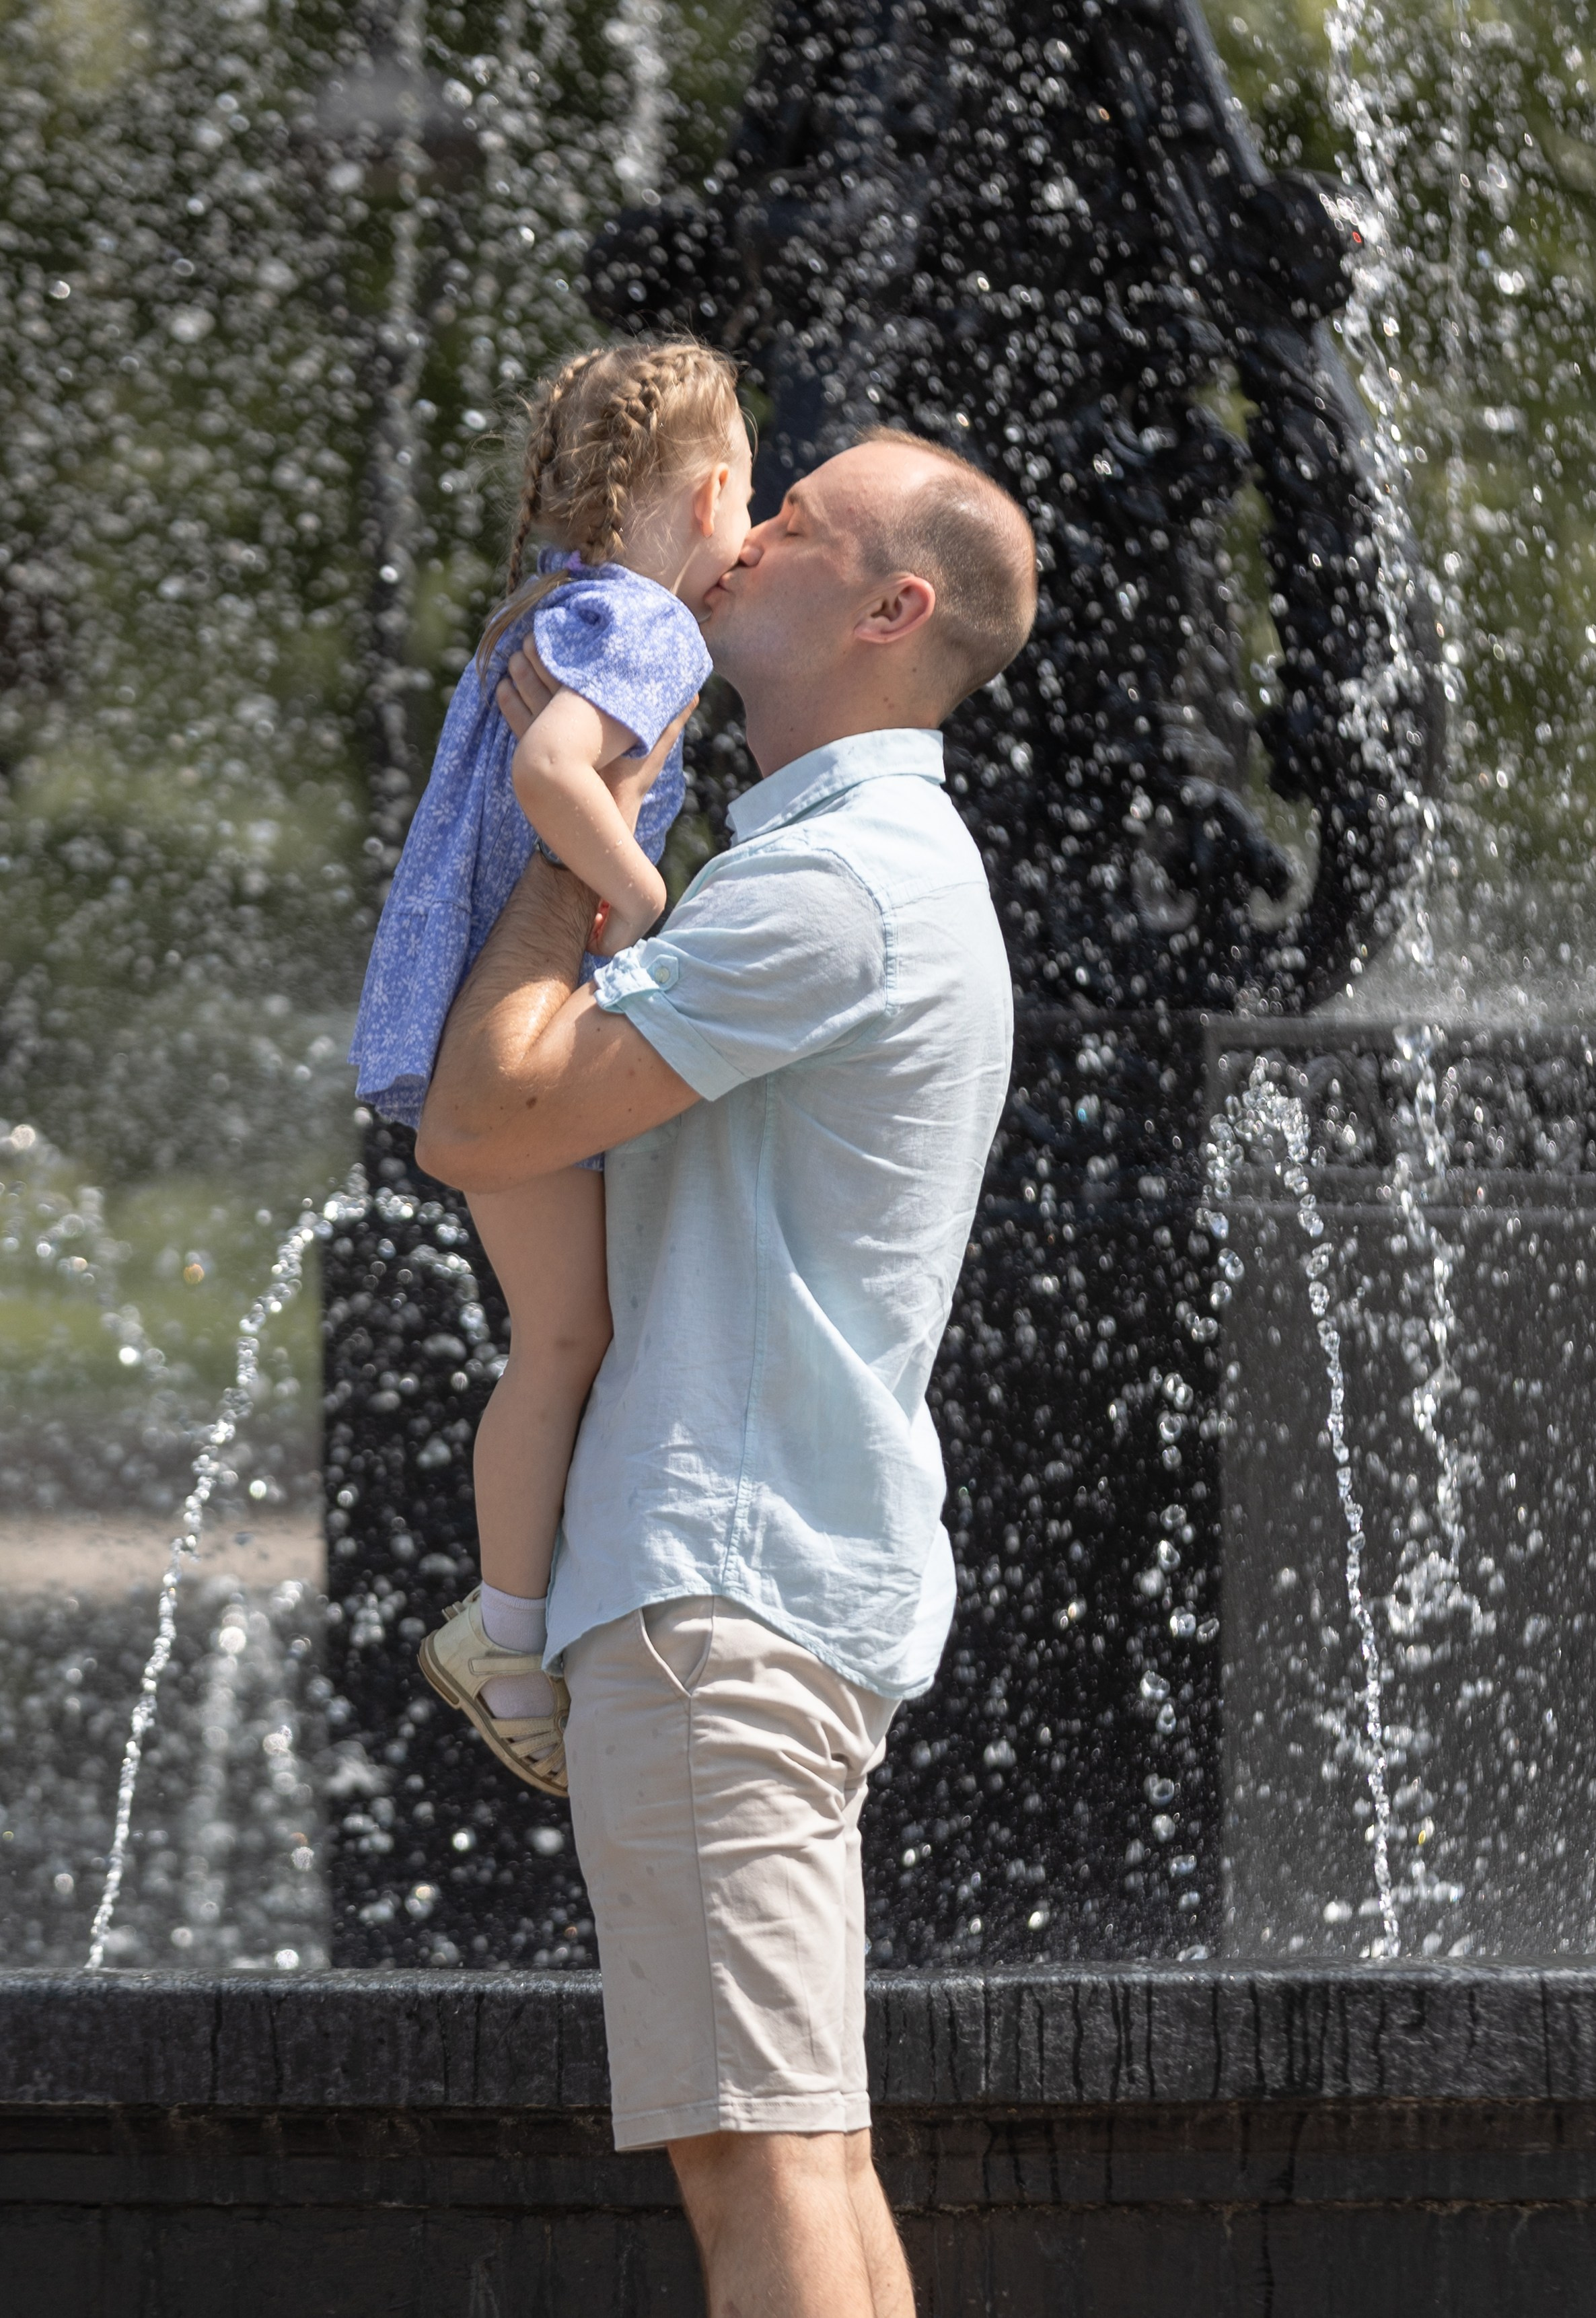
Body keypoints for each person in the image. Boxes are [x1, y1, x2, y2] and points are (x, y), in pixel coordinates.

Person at [417, 428, 1036, 2318]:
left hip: (716, 1590)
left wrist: (566, 818)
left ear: (886, 608)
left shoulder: (831, 890)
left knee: (759, 2157)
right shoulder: (844, 867)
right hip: (762, 1586)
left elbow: (484, 1112)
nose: (740, 533)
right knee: (795, 2140)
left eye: (794, 524)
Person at [347, 340, 750, 1793]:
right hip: (518, 1014)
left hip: (453, 1005)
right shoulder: (652, 625)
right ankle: (507, 1638)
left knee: (565, 1334)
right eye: (750, 508)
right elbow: (548, 775)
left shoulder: (552, 603)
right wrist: (644, 906)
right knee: (573, 1339)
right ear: (708, 497)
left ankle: (521, 1625)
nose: (749, 545)